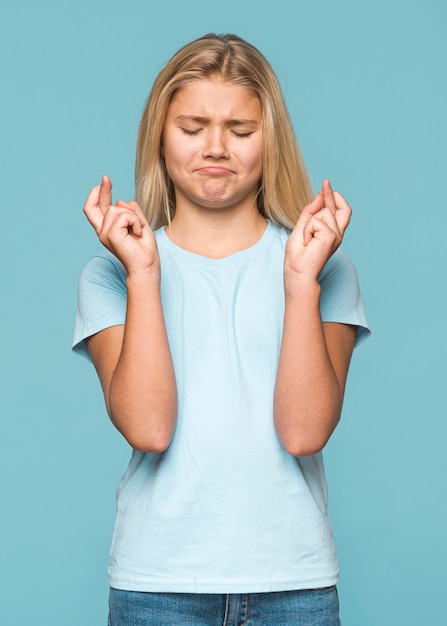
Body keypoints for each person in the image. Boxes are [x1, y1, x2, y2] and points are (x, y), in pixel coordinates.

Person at [73, 33, 370, 626]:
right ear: (160, 135)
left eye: (240, 130)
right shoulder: (110, 274)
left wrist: (301, 283)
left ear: (271, 140)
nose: (216, 147)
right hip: (157, 585)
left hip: (295, 586)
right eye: (192, 127)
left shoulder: (323, 267)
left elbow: (305, 431)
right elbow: (149, 428)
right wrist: (144, 274)